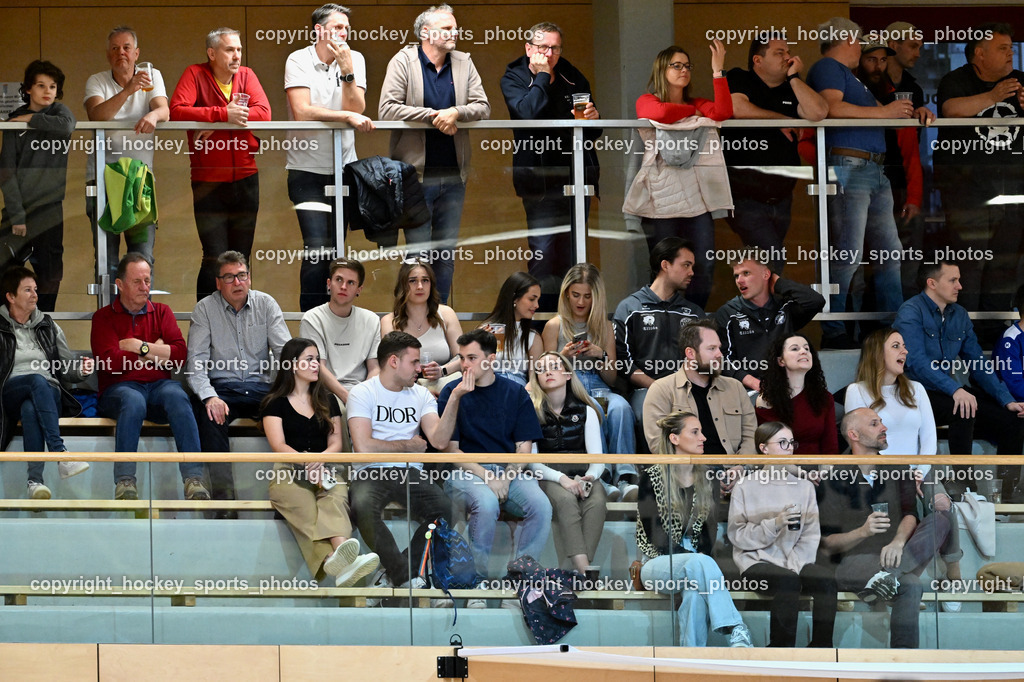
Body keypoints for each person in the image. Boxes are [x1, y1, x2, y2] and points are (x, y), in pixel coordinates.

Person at [806, 17, 913, 348]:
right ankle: (835, 328)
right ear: (844, 39)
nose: (861, 47)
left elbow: (887, 113)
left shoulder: (851, 76)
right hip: (850, 166)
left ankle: (890, 328)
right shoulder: (828, 67)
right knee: (848, 253)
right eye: (858, 41)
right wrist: (886, 113)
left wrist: (913, 112)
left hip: (873, 169)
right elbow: (831, 108)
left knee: (889, 251)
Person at [378, 3, 490, 303]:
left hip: (455, 175)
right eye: (448, 28)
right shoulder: (403, 61)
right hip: (415, 176)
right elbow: (387, 109)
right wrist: (433, 116)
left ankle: (438, 319)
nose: (456, 32)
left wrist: (455, 111)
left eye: (456, 27)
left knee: (445, 255)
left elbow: (483, 106)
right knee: (417, 256)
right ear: (426, 32)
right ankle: (409, 322)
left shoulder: (464, 62)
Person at [819, 408, 954, 649]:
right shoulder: (835, 475)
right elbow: (827, 544)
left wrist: (898, 542)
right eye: (874, 424)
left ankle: (888, 581)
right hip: (852, 561)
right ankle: (903, 660)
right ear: (854, 435)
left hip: (894, 555)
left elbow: (910, 513)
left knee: (941, 520)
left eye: (881, 422)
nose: (884, 427)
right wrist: (863, 531)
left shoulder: (897, 467)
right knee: (911, 584)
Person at [846, 327, 963, 604]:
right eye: (896, 346)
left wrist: (919, 473)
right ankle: (906, 582)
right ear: (878, 353)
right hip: (883, 472)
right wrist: (901, 475)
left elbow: (930, 439)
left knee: (944, 507)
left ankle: (953, 575)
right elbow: (860, 441)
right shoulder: (857, 391)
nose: (905, 351)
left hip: (920, 468)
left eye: (904, 346)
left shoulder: (917, 389)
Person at [894, 260, 1024, 501]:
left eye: (959, 279)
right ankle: (966, 487)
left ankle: (1008, 498)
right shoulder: (911, 312)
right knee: (963, 408)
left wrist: (1007, 399)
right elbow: (917, 364)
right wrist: (955, 389)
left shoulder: (960, 315)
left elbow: (978, 364)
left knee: (1011, 420)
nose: (960, 286)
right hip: (915, 391)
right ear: (932, 283)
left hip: (948, 390)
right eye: (953, 280)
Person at [438, 329, 549, 604]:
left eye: (472, 358)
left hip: (509, 469)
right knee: (486, 504)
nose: (465, 365)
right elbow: (451, 450)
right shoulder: (452, 392)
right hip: (466, 470)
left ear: (490, 360)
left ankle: (520, 579)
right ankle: (477, 581)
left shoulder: (515, 393)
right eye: (462, 358)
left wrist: (505, 477)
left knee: (542, 506)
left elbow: (523, 448)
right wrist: (489, 476)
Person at [347, 331, 462, 595]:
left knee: (448, 510)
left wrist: (453, 398)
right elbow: (364, 446)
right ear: (393, 361)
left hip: (409, 472)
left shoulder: (420, 394)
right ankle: (404, 575)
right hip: (370, 471)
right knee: (362, 507)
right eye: (414, 362)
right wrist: (408, 446)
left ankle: (399, 570)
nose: (420, 368)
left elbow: (439, 439)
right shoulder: (362, 393)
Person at [262, 337, 380, 587]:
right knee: (307, 509)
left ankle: (338, 557)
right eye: (309, 360)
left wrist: (319, 461)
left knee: (336, 496)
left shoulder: (327, 399)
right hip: (288, 472)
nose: (316, 364)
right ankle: (344, 563)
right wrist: (307, 463)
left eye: (317, 359)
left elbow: (335, 442)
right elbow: (278, 445)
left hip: (325, 467)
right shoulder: (275, 402)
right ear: (292, 365)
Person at [500, 21, 600, 308]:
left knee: (574, 259)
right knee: (543, 254)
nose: (550, 54)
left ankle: (572, 324)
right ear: (529, 48)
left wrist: (594, 118)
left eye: (555, 48)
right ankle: (542, 325)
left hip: (576, 177)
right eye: (543, 47)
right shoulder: (514, 76)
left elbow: (592, 133)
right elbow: (527, 114)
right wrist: (542, 76)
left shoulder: (572, 76)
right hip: (538, 182)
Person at [90, 253, 206, 500]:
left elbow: (178, 356)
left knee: (178, 395)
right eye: (137, 282)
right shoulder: (103, 317)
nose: (145, 287)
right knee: (133, 401)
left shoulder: (162, 311)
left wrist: (138, 346)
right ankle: (125, 481)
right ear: (120, 285)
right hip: (118, 390)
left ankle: (194, 479)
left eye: (148, 280)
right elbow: (110, 363)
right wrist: (156, 350)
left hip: (159, 387)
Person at [169, 27, 271, 301]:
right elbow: (177, 111)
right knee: (214, 257)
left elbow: (263, 113)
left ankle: (239, 321)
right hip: (208, 181)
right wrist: (222, 114)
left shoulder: (247, 75)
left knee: (241, 260)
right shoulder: (195, 73)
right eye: (229, 50)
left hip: (246, 179)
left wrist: (219, 124)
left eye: (238, 49)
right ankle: (206, 323)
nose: (236, 55)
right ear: (211, 53)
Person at [285, 3, 375, 312]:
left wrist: (347, 69)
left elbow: (357, 107)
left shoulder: (354, 59)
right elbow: (302, 111)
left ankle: (337, 315)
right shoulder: (298, 59)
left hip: (344, 169)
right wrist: (345, 117)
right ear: (318, 31)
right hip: (306, 170)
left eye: (346, 28)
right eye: (337, 27)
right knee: (316, 249)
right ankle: (312, 319)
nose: (344, 33)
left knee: (337, 250)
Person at [636, 411, 752, 647]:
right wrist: (694, 558)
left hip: (697, 565)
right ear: (674, 439)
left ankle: (690, 658)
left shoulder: (708, 476)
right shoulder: (651, 477)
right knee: (700, 563)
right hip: (657, 563)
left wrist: (699, 557)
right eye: (695, 432)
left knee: (695, 595)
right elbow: (656, 536)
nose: (703, 438)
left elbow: (709, 532)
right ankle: (734, 628)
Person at [935, 22, 1024, 323]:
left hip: (1012, 189)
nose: (1010, 53)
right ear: (979, 54)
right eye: (1002, 48)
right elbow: (950, 110)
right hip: (967, 190)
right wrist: (994, 97)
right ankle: (965, 328)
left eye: (1011, 48)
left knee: (1005, 263)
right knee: (969, 263)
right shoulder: (956, 80)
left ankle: (997, 328)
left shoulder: (1021, 81)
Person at [632, 41, 732, 308]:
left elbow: (723, 112)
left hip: (697, 203)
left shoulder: (698, 102)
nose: (683, 70)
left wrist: (717, 71)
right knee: (664, 272)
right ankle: (664, 321)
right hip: (659, 205)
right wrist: (694, 113)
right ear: (662, 70)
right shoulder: (647, 99)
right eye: (676, 65)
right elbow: (659, 113)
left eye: (687, 66)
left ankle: (695, 320)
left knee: (702, 267)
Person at [187, 251, 290, 510]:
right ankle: (225, 505)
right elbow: (195, 363)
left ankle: (289, 500)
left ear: (250, 278)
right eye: (229, 277)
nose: (237, 283)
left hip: (261, 388)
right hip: (223, 389)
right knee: (209, 415)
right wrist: (210, 396)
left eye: (242, 275)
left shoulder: (266, 304)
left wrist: (285, 392)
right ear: (218, 283)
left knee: (293, 412)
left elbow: (285, 354)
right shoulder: (205, 309)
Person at [728, 421, 836, 648]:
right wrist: (774, 524)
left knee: (825, 580)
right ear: (763, 448)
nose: (789, 448)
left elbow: (810, 535)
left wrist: (793, 565)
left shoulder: (804, 486)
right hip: (755, 561)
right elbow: (738, 535)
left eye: (791, 443)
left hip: (794, 563)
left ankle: (821, 649)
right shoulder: (745, 486)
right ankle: (780, 650)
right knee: (787, 582)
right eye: (782, 443)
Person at [723, 36, 827, 268]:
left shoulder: (792, 87)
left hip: (782, 196)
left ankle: (754, 303)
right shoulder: (740, 77)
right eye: (779, 53)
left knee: (763, 265)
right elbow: (736, 108)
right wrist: (779, 120)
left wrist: (794, 78)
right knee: (773, 256)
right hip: (743, 195)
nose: (788, 57)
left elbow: (818, 112)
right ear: (758, 60)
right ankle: (770, 304)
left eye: (788, 52)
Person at [542, 263, 635, 498]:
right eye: (575, 295)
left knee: (621, 407)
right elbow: (543, 372)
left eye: (587, 296)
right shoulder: (554, 326)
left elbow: (612, 377)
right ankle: (601, 478)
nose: (581, 302)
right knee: (592, 411)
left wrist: (600, 354)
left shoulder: (604, 326)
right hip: (571, 387)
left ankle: (625, 476)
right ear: (566, 294)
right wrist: (563, 358)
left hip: (599, 385)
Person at [0, 266, 93, 499]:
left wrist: (81, 370)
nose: (35, 295)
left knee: (31, 406)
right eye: (27, 290)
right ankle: (60, 454)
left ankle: (35, 482)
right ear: (10, 297)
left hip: (47, 393)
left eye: (35, 289)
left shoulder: (48, 325)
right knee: (35, 381)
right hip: (9, 390)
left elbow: (65, 368)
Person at [84, 25, 168, 282]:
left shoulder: (151, 75)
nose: (121, 52)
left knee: (142, 257)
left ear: (136, 53)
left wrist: (153, 114)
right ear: (108, 55)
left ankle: (141, 320)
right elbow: (97, 115)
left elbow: (164, 110)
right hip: (103, 181)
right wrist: (129, 89)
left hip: (140, 182)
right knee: (106, 261)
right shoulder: (96, 80)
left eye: (126, 48)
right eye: (115, 48)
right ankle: (110, 317)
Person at [0, 60, 75, 312]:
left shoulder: (59, 113)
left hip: (50, 208)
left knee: (50, 272)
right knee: (7, 269)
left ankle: (44, 323)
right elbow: (7, 174)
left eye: (52, 86)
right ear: (29, 89)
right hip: (18, 209)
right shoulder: (13, 122)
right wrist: (17, 216)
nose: (47, 91)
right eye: (41, 85)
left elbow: (68, 125)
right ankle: (10, 325)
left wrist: (32, 118)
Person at [527, 351, 606, 574]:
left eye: (554, 365)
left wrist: (590, 478)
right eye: (541, 369)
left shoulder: (586, 410)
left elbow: (598, 458)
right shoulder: (532, 411)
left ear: (568, 374)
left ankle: (577, 573)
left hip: (583, 473)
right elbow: (532, 462)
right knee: (566, 501)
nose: (548, 371)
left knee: (597, 502)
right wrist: (562, 479)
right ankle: (585, 573)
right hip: (548, 474)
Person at [614, 238, 706, 425]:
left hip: (688, 390)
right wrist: (656, 386)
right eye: (686, 265)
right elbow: (623, 362)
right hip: (645, 390)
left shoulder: (694, 313)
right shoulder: (630, 308)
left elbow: (706, 358)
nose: (691, 272)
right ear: (665, 265)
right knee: (647, 414)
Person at [643, 318, 756, 456]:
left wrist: (741, 466)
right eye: (711, 348)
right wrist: (694, 473)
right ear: (690, 353)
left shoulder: (735, 388)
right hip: (686, 473)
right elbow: (658, 444)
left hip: (735, 470)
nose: (719, 354)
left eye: (719, 348)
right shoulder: (661, 390)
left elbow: (751, 435)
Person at [715, 251, 825, 391]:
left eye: (746, 273)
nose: (739, 280)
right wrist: (755, 383)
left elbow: (816, 301)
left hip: (788, 388)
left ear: (766, 275)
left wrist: (778, 283)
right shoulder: (728, 313)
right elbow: (722, 360)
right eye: (737, 276)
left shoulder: (785, 307)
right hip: (747, 392)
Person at [299, 258, 381, 445]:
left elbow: (374, 366)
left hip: (362, 389)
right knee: (340, 410)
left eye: (351, 282)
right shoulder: (312, 318)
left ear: (359, 289)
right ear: (329, 284)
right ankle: (343, 470)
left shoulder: (371, 320)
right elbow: (319, 368)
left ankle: (378, 468)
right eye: (338, 280)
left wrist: (362, 395)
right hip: (325, 390)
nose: (343, 286)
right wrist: (346, 396)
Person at [380, 259, 461, 395]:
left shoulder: (447, 314)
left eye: (425, 280)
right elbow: (389, 364)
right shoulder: (389, 321)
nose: (419, 286)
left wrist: (442, 370)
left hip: (443, 387)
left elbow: (463, 356)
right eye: (412, 281)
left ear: (431, 285)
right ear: (403, 285)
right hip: (406, 389)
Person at [755, 334, 838, 455]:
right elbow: (766, 447)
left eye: (807, 348)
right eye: (795, 349)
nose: (803, 351)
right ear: (781, 361)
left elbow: (831, 447)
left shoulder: (824, 397)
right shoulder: (767, 399)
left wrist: (825, 472)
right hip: (780, 469)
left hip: (817, 469)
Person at [479, 271, 542, 387]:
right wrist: (482, 346)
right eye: (532, 299)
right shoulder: (487, 329)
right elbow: (475, 367)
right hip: (489, 385)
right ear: (515, 298)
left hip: (519, 389)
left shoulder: (532, 337)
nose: (537, 305)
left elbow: (535, 380)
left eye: (538, 300)